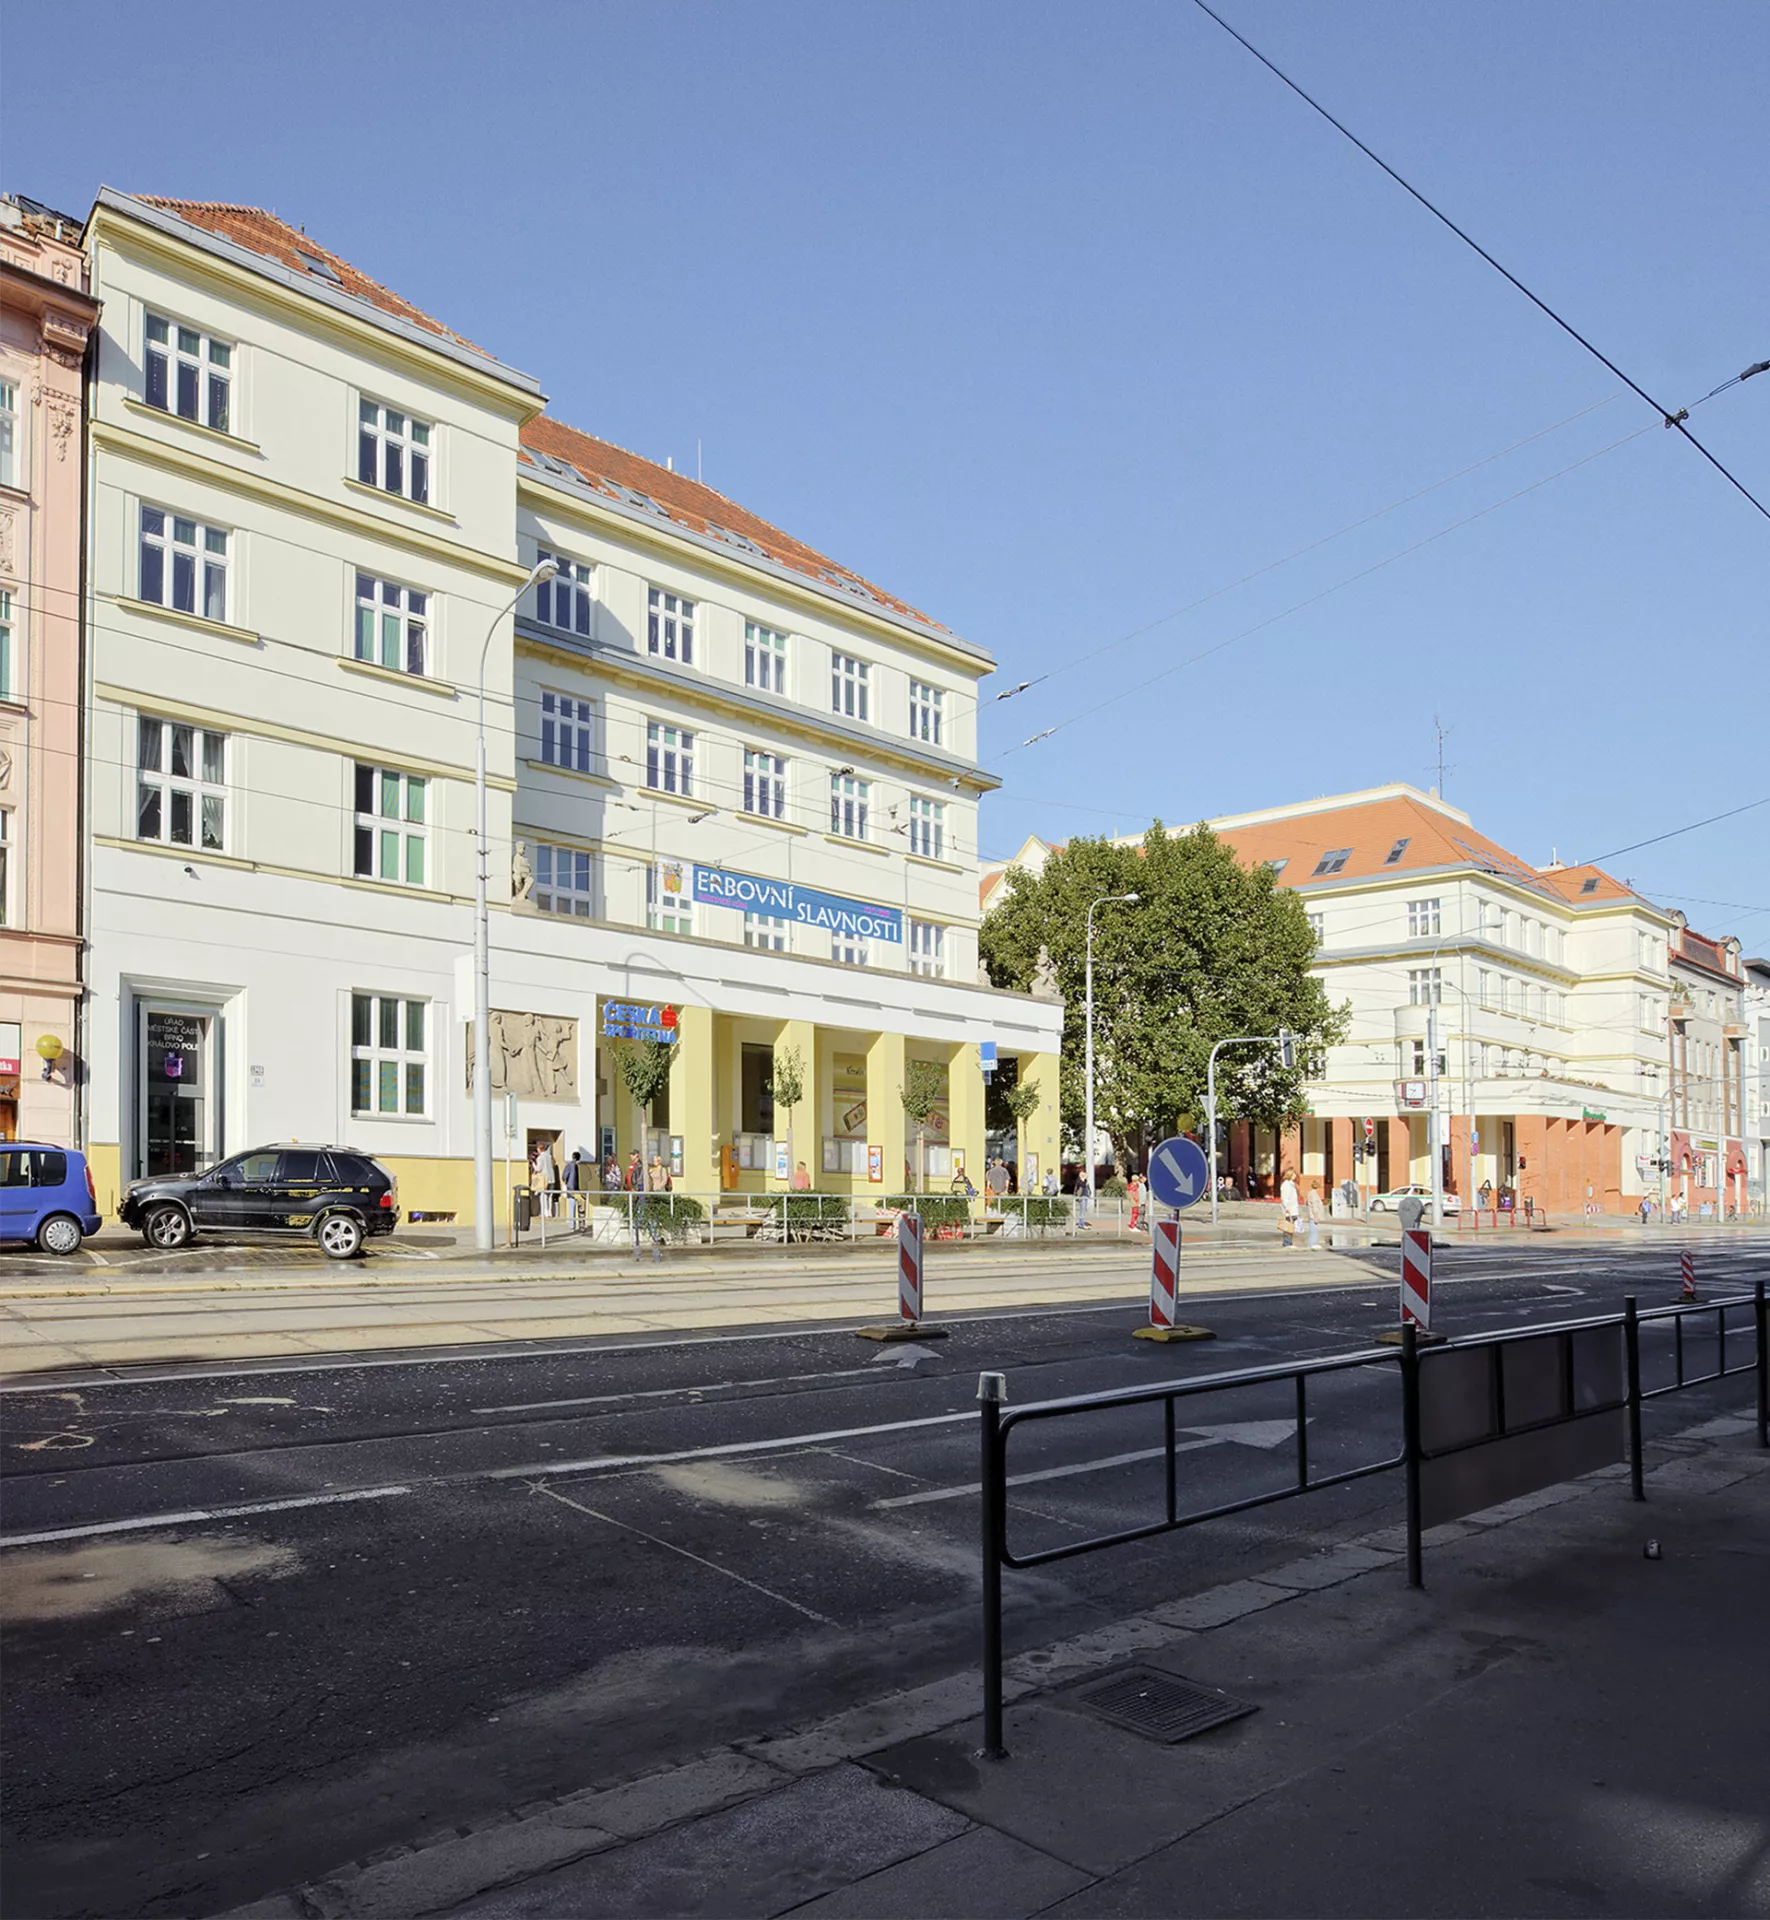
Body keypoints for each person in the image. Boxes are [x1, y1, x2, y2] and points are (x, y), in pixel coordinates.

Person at [1280, 1172, 1301, 1247]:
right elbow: (1284, 1198)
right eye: (1293, 1175)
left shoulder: (1291, 1184)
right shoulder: (1286, 1185)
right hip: (1289, 1209)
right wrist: (1286, 1207)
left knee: (1291, 1227)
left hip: (1293, 1209)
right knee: (1287, 1227)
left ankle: (1290, 1242)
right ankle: (1286, 1243)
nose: (1295, 1176)